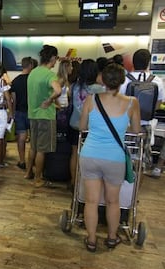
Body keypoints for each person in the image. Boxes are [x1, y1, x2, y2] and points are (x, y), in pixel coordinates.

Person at [79, 63, 141, 252]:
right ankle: (112, 238)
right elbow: (136, 130)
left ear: (103, 80)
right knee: (113, 201)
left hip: (90, 154)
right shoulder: (132, 102)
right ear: (122, 80)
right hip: (115, 157)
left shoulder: (91, 99)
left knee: (91, 200)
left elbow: (82, 127)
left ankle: (91, 240)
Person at [119, 49, 165, 174]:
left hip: (126, 126)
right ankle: (136, 190)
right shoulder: (157, 81)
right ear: (148, 63)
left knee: (123, 159)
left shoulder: (124, 80)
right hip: (145, 126)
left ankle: (123, 190)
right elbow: (158, 104)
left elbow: (119, 102)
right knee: (141, 162)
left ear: (133, 62)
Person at [25, 45, 62, 187]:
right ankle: (38, 179)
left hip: (32, 115)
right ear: (52, 58)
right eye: (56, 58)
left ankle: (28, 172)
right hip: (45, 116)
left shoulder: (33, 73)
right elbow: (58, 90)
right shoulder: (50, 75)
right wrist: (49, 100)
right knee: (42, 149)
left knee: (33, 146)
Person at [69, 59, 105, 189]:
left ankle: (73, 181)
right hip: (91, 128)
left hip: (74, 124)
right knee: (89, 157)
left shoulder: (74, 86)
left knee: (74, 153)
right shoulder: (99, 89)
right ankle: (85, 185)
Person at [10, 57, 37, 170]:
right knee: (34, 138)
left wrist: (13, 112)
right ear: (30, 65)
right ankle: (33, 160)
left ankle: (22, 161)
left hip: (19, 111)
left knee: (21, 137)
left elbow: (14, 99)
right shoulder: (34, 80)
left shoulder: (15, 81)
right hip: (32, 111)